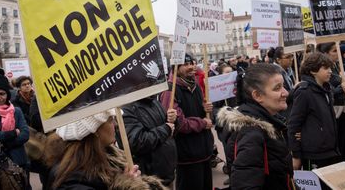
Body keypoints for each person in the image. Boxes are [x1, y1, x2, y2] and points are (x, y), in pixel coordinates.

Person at [216, 63, 296, 189]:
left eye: (284, 86)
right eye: (277, 88)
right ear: (257, 95)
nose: (285, 92)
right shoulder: (251, 133)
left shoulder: (268, 121)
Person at [44, 109, 166, 189]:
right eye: (110, 120)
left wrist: (129, 180)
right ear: (95, 130)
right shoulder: (72, 179)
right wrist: (127, 186)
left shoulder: (107, 157)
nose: (116, 125)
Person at [160, 53, 214, 190]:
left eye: (193, 63)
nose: (192, 67)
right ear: (176, 68)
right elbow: (179, 123)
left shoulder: (195, 86)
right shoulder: (170, 91)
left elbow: (202, 114)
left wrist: (206, 108)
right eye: (186, 64)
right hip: (187, 155)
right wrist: (202, 123)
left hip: (204, 151)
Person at [288, 53, 341, 178]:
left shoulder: (327, 89)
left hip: (330, 150)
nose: (330, 72)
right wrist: (296, 155)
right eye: (325, 68)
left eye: (330, 68)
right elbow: (294, 125)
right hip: (314, 153)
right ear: (313, 71)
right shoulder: (304, 92)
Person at [120, 96, 177, 187]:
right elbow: (138, 142)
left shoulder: (154, 102)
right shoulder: (127, 109)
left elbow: (168, 130)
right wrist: (166, 129)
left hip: (167, 176)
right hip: (149, 181)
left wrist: (172, 120)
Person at [317, 43, 345, 155]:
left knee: (343, 142)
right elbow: (326, 90)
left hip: (344, 107)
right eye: (334, 51)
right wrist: (340, 88)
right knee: (335, 142)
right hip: (334, 109)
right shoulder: (322, 68)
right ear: (326, 53)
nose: (338, 53)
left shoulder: (337, 65)